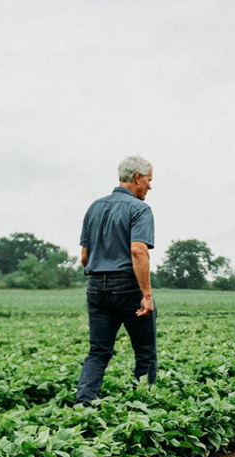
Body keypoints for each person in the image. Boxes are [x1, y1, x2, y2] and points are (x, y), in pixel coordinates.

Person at [75, 155, 157, 405]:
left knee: (98, 351)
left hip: (96, 287)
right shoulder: (140, 209)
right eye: (149, 180)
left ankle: (83, 404)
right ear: (137, 178)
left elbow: (85, 257)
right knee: (145, 352)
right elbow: (137, 251)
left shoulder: (95, 207)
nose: (150, 187)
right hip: (127, 286)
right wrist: (146, 295)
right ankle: (142, 406)